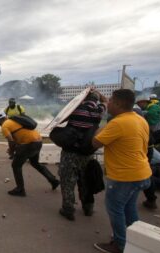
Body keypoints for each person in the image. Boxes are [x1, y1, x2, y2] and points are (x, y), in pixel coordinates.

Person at [92, 89, 152, 253]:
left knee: (115, 208)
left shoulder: (117, 123)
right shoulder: (139, 119)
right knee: (129, 208)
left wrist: (101, 123)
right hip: (142, 172)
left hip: (124, 176)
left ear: (118, 104)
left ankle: (119, 244)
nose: (108, 103)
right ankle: (134, 240)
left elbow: (95, 143)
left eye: (110, 100)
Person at [58, 90, 107, 221]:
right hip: (87, 152)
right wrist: (98, 94)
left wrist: (80, 98)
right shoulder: (99, 111)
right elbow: (105, 101)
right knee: (86, 179)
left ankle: (68, 209)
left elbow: (61, 117)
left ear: (84, 98)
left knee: (68, 180)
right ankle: (88, 207)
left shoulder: (75, 110)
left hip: (70, 152)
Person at [0, 112, 60, 196]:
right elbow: (19, 136)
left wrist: (11, 152)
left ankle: (20, 189)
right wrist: (13, 148)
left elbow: (11, 141)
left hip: (28, 144)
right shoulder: (14, 121)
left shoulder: (5, 126)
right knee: (35, 163)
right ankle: (53, 180)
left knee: (16, 165)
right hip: (38, 141)